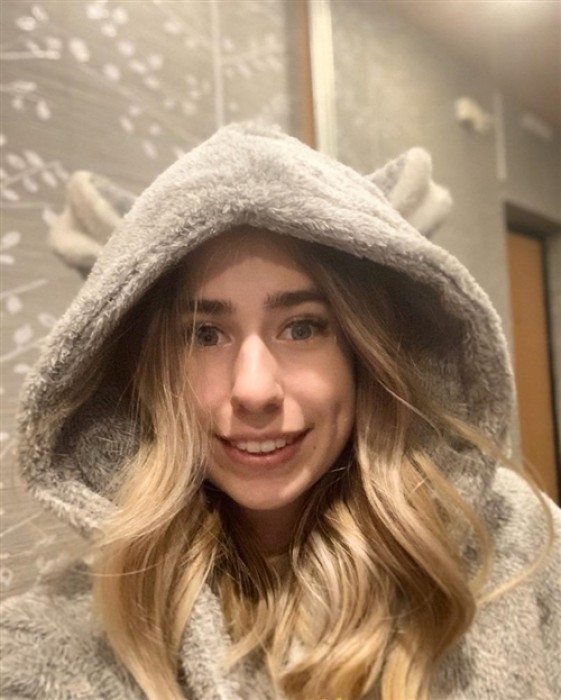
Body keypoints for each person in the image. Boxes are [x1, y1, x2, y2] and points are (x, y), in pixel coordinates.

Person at [1, 122, 559, 700]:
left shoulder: (518, 547)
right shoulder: (58, 642)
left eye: (302, 328)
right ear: (149, 369)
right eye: (204, 334)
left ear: (363, 351)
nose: (254, 390)